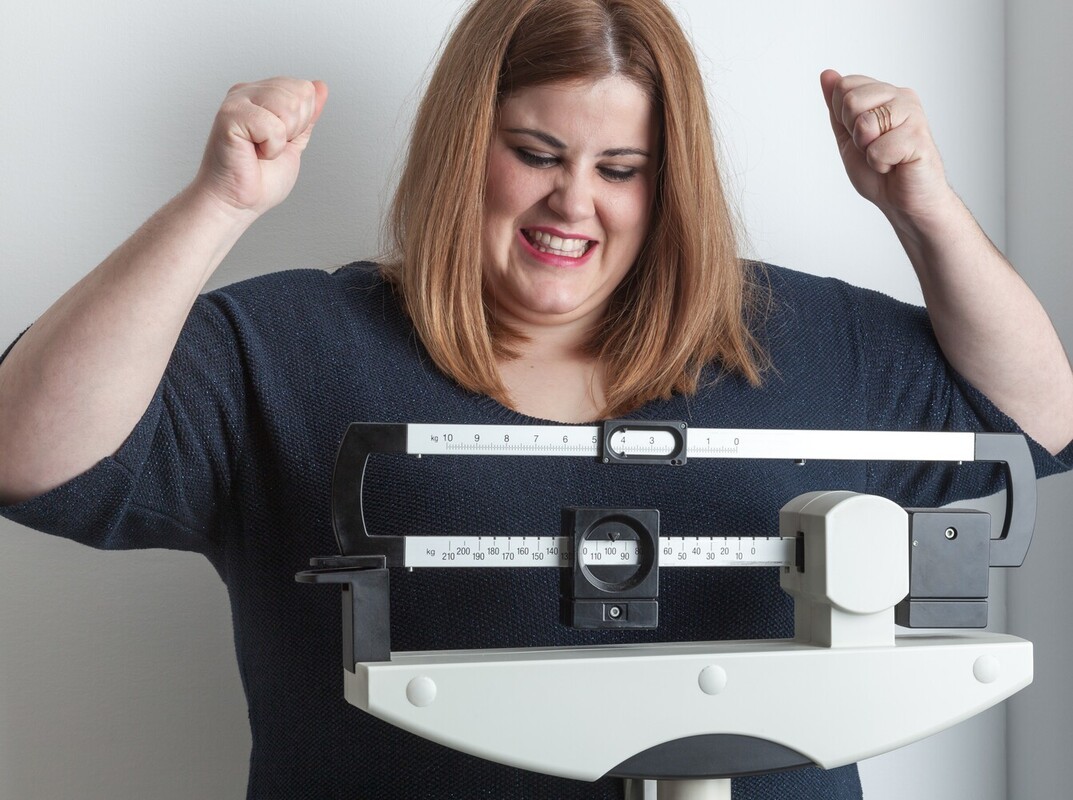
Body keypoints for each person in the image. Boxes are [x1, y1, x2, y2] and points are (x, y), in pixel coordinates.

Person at [0, 0, 1070, 797]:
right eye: (536, 154)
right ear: (466, 146)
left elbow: (1036, 424)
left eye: (622, 166)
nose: (574, 200)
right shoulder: (287, 348)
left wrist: (921, 206)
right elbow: (25, 449)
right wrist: (218, 202)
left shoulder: (787, 339)